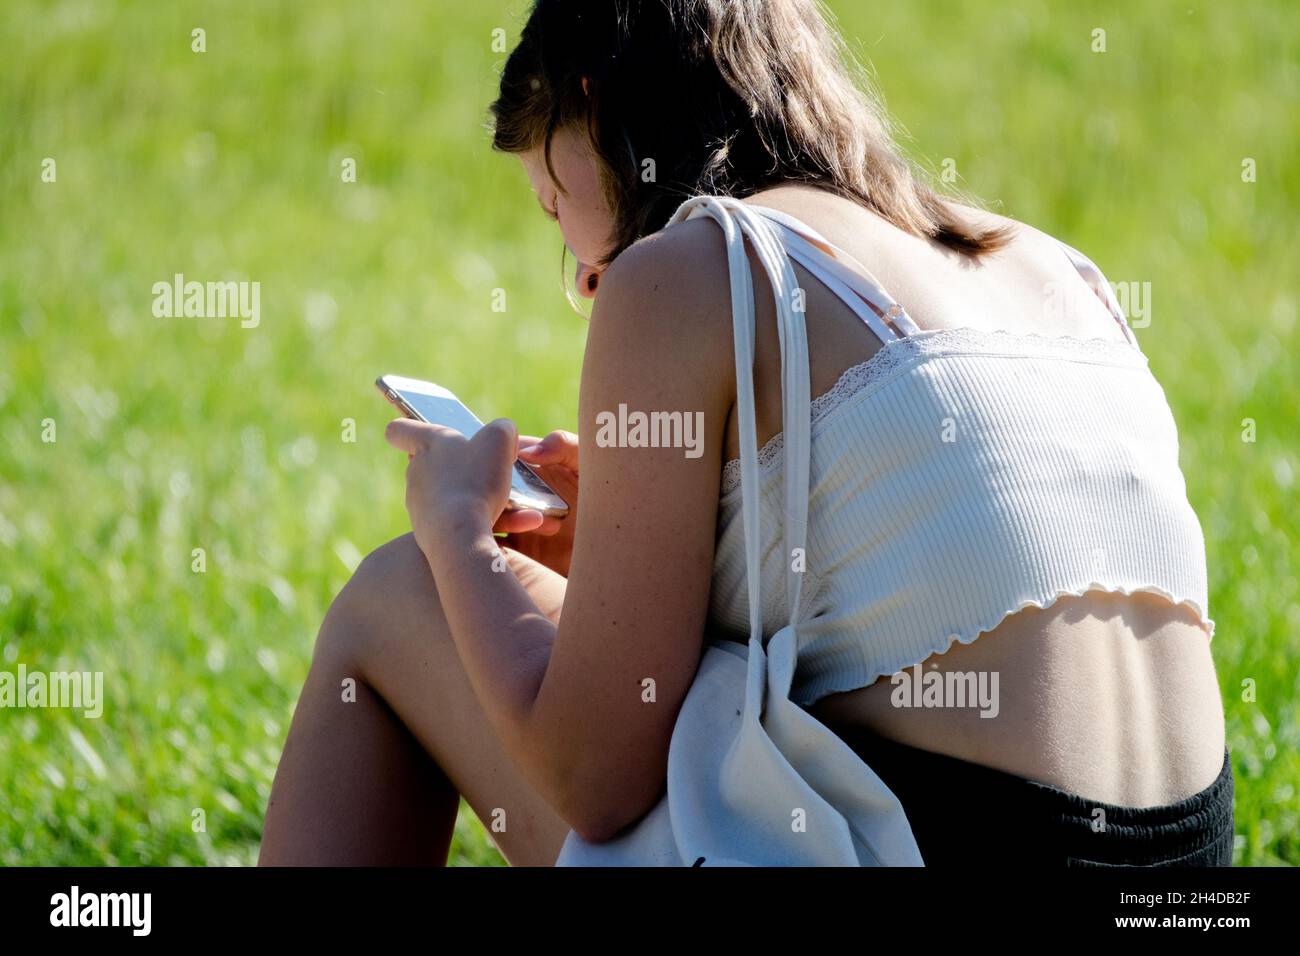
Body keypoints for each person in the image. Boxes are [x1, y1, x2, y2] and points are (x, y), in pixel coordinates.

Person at [259, 0, 1232, 866]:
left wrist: (458, 533)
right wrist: (629, 540)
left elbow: (594, 776)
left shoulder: (693, 263)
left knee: (395, 594)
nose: (585, 277)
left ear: (594, 103)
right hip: (1181, 876)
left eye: (559, 212)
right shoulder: (1049, 265)